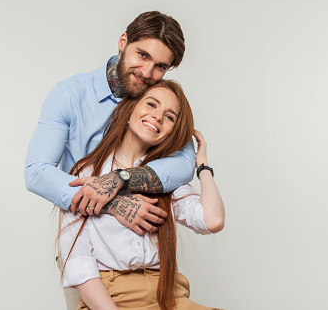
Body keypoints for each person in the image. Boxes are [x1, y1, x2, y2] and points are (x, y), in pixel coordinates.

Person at [25, 11, 195, 235]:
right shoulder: (70, 95)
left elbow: (184, 163)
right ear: (123, 42)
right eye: (142, 55)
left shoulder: (160, 102)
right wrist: (113, 204)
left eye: (160, 66)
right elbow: (37, 172)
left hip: (144, 247)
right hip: (84, 241)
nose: (147, 72)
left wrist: (119, 179)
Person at [58, 81, 225, 310]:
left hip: (168, 294)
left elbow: (212, 220)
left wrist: (203, 166)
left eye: (170, 117)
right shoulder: (87, 173)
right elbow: (78, 263)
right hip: (111, 297)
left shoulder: (167, 179)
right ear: (130, 110)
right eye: (151, 104)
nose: (157, 116)